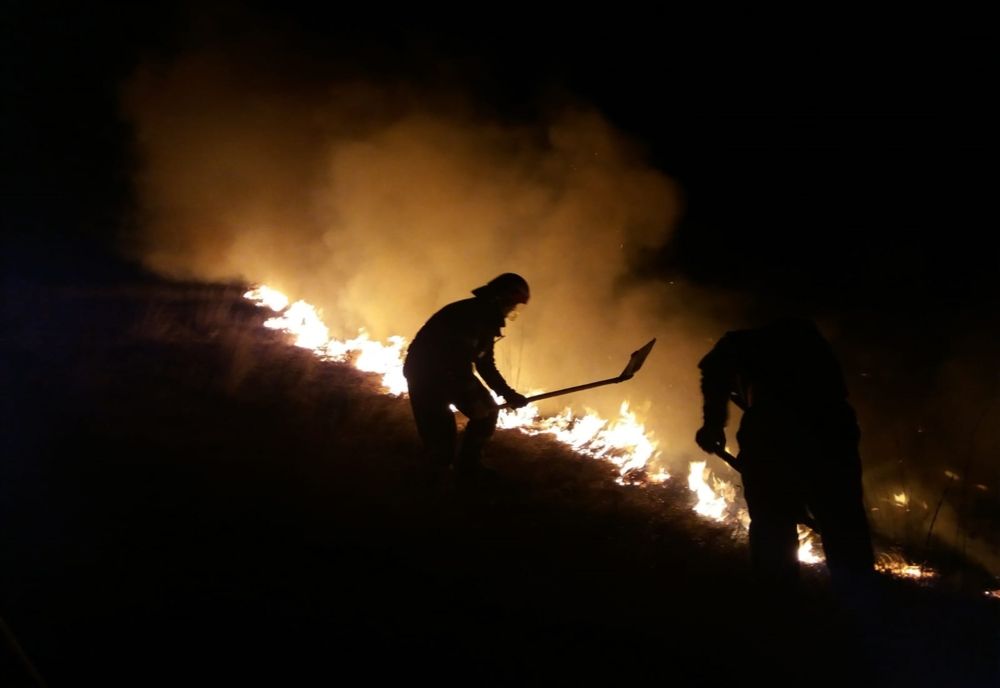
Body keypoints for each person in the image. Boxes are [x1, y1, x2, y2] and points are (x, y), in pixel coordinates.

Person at [694, 316, 875, 597]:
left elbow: (715, 367)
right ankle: (859, 600)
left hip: (776, 433)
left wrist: (713, 424)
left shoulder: (747, 343)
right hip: (833, 431)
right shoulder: (815, 346)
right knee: (842, 521)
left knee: (773, 523)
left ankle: (781, 601)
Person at [403, 273, 531, 484]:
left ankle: (469, 467)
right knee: (441, 438)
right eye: (512, 305)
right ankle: (434, 484)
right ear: (500, 299)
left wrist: (509, 394)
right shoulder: (469, 317)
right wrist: (472, 397)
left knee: (488, 411)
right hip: (426, 376)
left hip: (450, 374)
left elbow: (485, 363)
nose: (512, 311)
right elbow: (455, 363)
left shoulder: (485, 319)